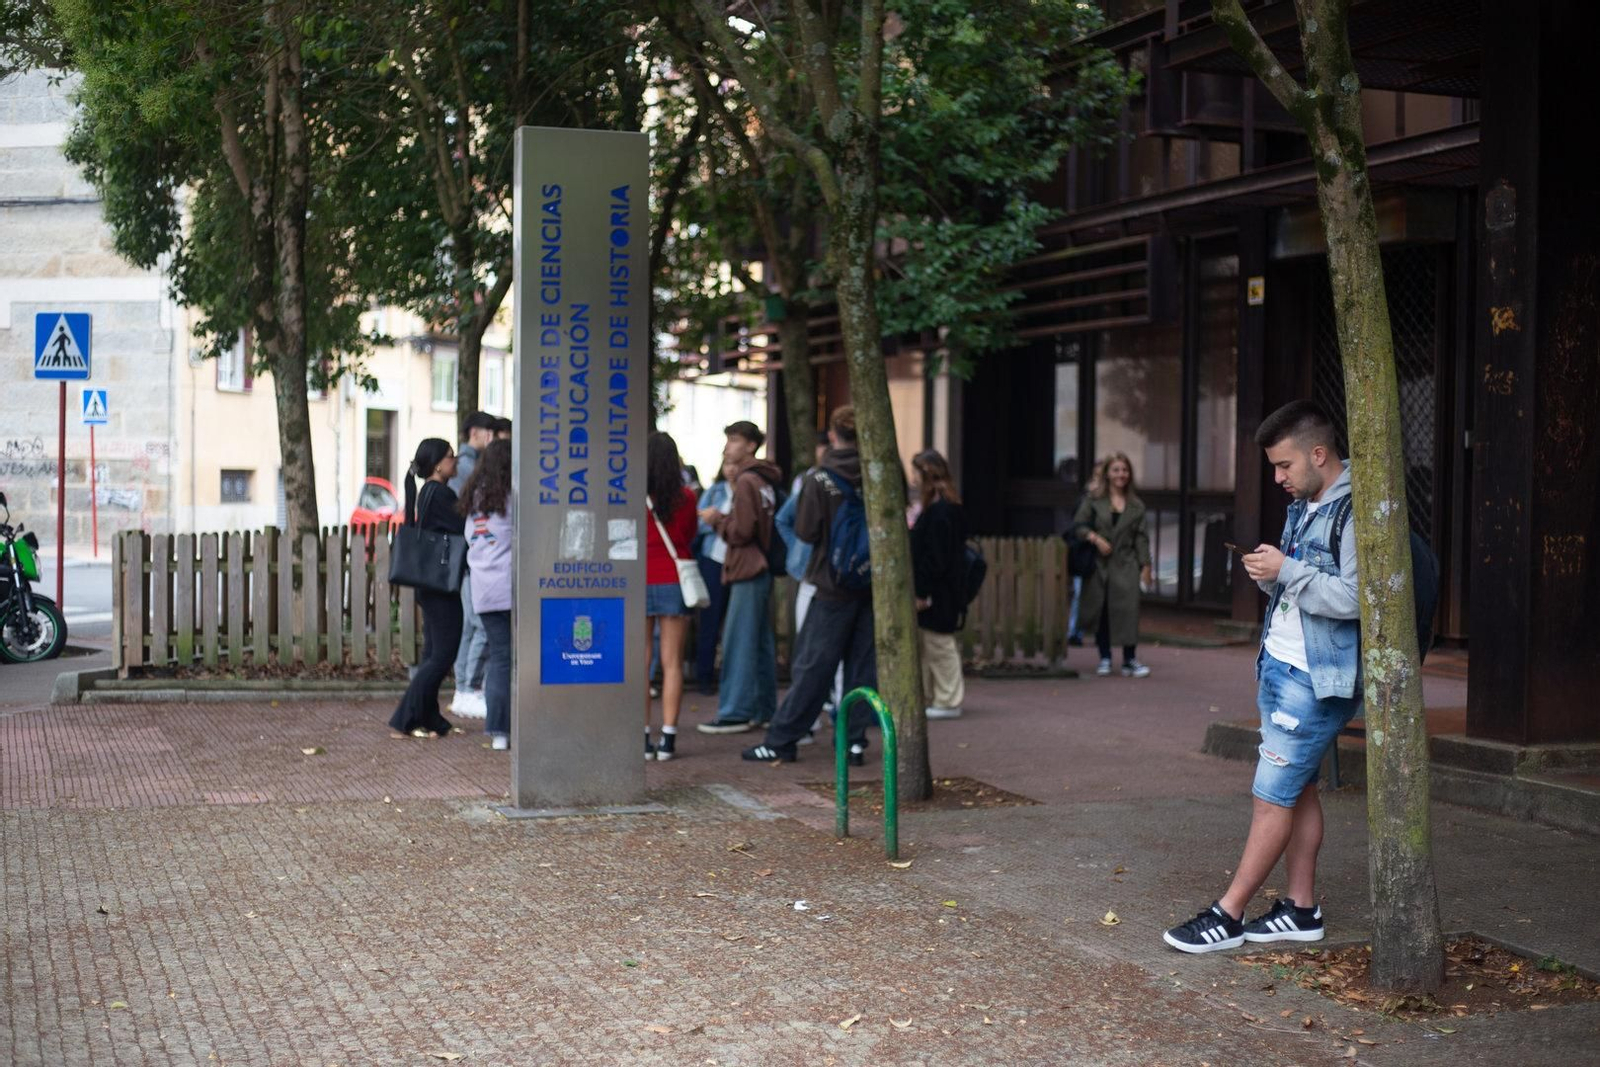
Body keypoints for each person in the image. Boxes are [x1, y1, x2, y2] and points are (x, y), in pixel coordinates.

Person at [1163, 400, 1359, 953]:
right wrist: (1272, 575)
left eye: (1284, 466)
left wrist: (1287, 571)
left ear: (1318, 455)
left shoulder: (1356, 511)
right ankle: (1300, 909)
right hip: (1280, 664)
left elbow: (1356, 598)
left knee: (1272, 796)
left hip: (1314, 679)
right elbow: (1302, 589)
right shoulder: (1306, 502)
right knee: (1297, 789)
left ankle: (1227, 915)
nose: (1277, 478)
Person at [742, 406, 875, 765]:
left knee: (813, 665)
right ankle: (853, 743)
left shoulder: (820, 479)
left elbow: (805, 531)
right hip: (871, 583)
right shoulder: (879, 471)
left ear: (832, 435)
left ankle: (782, 740)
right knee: (862, 667)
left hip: (831, 584)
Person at [696, 421, 782, 734]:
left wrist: (717, 519)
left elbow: (742, 531)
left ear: (750, 445)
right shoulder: (764, 479)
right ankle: (763, 708)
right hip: (761, 565)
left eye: (734, 440)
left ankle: (735, 711)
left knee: (738, 640)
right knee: (759, 641)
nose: (727, 447)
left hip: (746, 565)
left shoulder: (747, 481)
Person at [388, 438, 462, 739]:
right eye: (450, 456)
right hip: (440, 586)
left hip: (429, 585)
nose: (454, 460)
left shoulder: (428, 493)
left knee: (433, 651)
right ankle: (404, 717)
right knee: (443, 654)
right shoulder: (441, 494)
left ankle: (431, 717)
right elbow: (462, 528)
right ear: (437, 465)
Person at [776, 431, 841, 729]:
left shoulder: (820, 479)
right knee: (820, 649)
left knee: (815, 649)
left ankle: (814, 720)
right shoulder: (813, 480)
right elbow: (788, 521)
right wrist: (799, 555)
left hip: (825, 576)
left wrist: (802, 552)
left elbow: (797, 525)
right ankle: (822, 719)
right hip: (832, 574)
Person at [645, 432, 700, 760]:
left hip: (638, 579)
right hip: (675, 581)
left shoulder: (631, 495)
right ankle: (668, 738)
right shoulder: (687, 497)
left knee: (640, 661)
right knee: (672, 662)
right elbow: (690, 535)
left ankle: (642, 737)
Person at [1073, 453, 1153, 678]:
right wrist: (1095, 539)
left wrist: (1146, 565)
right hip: (1099, 565)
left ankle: (1129, 659)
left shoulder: (1136, 505)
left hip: (1126, 564)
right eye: (1116, 470)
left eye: (1125, 470)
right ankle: (1105, 657)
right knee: (1102, 611)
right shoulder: (1093, 500)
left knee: (1129, 611)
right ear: (1107, 473)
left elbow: (1141, 538)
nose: (1121, 474)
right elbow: (1078, 526)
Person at [459, 439, 515, 750]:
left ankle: (498, 730)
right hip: (509, 586)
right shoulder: (510, 497)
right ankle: (507, 726)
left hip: (482, 588)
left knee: (499, 657)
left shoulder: (474, 497)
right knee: (511, 658)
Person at [910, 449, 968, 720]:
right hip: (942, 588)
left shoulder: (940, 510)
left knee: (939, 644)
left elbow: (936, 556)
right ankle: (937, 696)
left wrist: (923, 591)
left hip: (939, 590)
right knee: (932, 644)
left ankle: (947, 699)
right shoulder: (944, 506)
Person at [448, 411, 499, 719]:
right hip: (473, 559)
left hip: (467, 559)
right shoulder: (469, 468)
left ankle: (463, 689)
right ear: (476, 433)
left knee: (470, 625)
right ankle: (468, 689)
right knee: (478, 624)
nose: (491, 439)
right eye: (488, 433)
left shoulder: (465, 466)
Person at [691, 461, 736, 696]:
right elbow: (698, 523)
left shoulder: (747, 488)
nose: (731, 468)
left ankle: (729, 679)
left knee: (733, 624)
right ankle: (704, 677)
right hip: (713, 560)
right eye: (727, 462)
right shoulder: (715, 491)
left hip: (738, 563)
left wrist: (719, 519)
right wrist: (719, 521)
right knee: (709, 621)